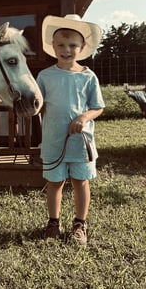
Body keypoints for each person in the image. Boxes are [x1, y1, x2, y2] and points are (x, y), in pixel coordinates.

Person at [37, 14, 105, 244]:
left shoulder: (88, 77)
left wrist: (84, 117)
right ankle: (53, 223)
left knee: (80, 182)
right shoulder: (45, 76)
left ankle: (80, 224)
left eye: (72, 45)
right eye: (61, 45)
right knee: (55, 182)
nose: (66, 50)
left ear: (82, 47)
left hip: (80, 140)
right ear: (53, 46)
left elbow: (97, 107)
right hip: (54, 140)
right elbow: (37, 104)